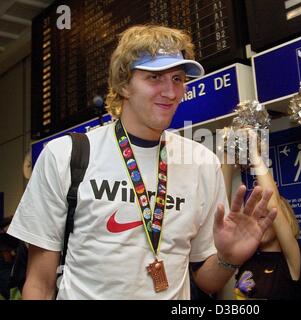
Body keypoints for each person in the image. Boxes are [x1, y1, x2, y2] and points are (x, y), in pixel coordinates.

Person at [7, 25, 277, 300]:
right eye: (155, 77)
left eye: (177, 79)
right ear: (124, 84)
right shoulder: (66, 155)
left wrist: (228, 258)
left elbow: (206, 282)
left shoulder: (202, 162)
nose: (171, 92)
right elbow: (39, 284)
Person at [221, 129, 301, 299]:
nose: (259, 215)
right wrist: (227, 152)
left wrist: (254, 154)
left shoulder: (291, 260)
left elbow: (273, 204)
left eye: (264, 214)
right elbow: (220, 209)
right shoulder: (248, 258)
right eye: (256, 214)